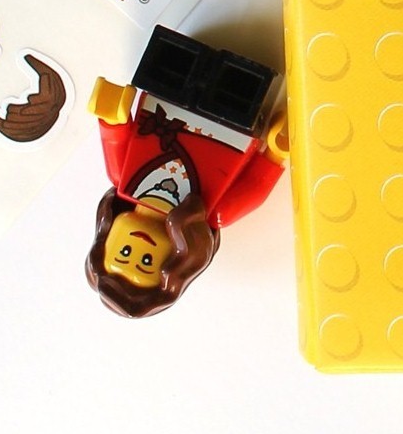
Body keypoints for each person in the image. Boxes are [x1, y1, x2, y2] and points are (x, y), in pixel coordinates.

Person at [84, 67, 288, 318]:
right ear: (176, 263)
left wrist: (112, 116)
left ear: (106, 239)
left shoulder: (122, 176)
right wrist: (275, 152)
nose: (138, 245)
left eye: (124, 252)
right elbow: (254, 186)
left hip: (170, 89)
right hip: (235, 117)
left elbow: (116, 135)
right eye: (146, 261)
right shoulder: (217, 211)